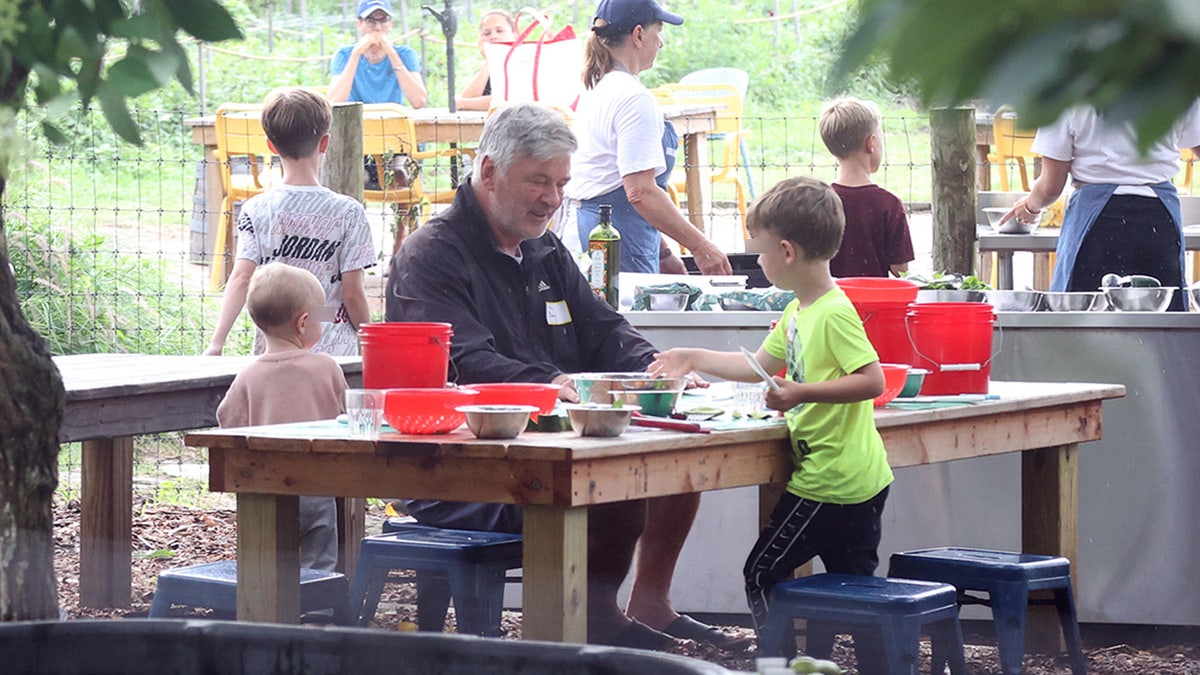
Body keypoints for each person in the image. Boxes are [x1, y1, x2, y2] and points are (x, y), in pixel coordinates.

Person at [386, 102, 749, 651]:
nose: (554, 199)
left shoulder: (545, 246)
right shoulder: (431, 254)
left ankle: (648, 603)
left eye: (561, 183)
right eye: (539, 181)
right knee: (618, 481)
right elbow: (471, 363)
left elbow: (603, 327)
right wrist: (568, 387)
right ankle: (594, 619)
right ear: (488, 172)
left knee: (677, 461)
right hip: (461, 466)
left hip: (553, 441)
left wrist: (655, 372)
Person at [650, 177, 893, 659]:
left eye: (758, 252)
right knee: (857, 592)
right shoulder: (798, 312)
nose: (756, 262)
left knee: (761, 573)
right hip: (856, 479)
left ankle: (779, 665)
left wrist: (802, 392)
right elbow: (756, 364)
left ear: (785, 251)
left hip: (832, 483)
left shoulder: (833, 313)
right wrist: (692, 356)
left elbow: (873, 381)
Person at [557, 0, 731, 276]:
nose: (660, 42)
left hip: (590, 234)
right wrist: (701, 246)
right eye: (658, 31)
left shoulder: (599, 87)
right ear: (638, 35)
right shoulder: (633, 98)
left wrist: (663, 254)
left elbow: (614, 178)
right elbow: (640, 191)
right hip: (614, 243)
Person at [204, 88, 375, 357]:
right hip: (332, 346)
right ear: (325, 143)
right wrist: (371, 343)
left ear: (271, 146)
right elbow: (352, 294)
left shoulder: (256, 210)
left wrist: (217, 343)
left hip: (275, 348)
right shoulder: (348, 212)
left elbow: (240, 278)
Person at [999, 103, 1200, 310]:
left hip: (1096, 225)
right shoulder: (1172, 78)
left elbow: (1050, 187)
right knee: (1159, 328)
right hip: (1159, 221)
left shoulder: (1068, 88)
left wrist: (1029, 207)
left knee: (1088, 325)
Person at [216, 263, 350, 572]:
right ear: (304, 322)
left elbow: (227, 422)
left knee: (266, 559)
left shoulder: (248, 376)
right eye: (321, 317)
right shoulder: (326, 367)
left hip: (263, 489)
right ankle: (318, 610)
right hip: (315, 486)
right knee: (319, 560)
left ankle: (264, 607)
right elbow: (346, 415)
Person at [818, 96, 914, 278]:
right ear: (871, 143)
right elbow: (900, 270)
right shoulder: (889, 204)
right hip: (875, 302)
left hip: (830, 299)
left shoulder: (819, 202)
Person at [328, 0, 428, 108]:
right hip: (356, 120)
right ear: (359, 24)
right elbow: (334, 101)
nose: (378, 28)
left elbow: (419, 101)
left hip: (392, 119)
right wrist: (355, 55)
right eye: (371, 22)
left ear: (391, 24)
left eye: (383, 21)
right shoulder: (344, 54)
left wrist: (392, 54)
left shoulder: (405, 54)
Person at [455, 10, 518, 111]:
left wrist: (463, 103)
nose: (493, 37)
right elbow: (467, 98)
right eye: (487, 33)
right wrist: (489, 61)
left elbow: (505, 101)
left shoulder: (523, 63)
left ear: (515, 35)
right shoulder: (490, 67)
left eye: (499, 31)